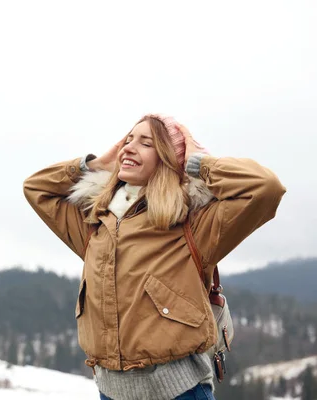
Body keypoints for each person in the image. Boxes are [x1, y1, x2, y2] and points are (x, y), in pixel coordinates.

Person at [23, 114, 286, 400]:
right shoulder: (95, 223)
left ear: (168, 159)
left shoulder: (193, 226)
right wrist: (92, 165)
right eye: (127, 140)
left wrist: (199, 164)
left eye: (145, 143)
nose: (128, 147)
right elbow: (36, 188)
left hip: (180, 392)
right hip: (110, 392)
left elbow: (266, 188)